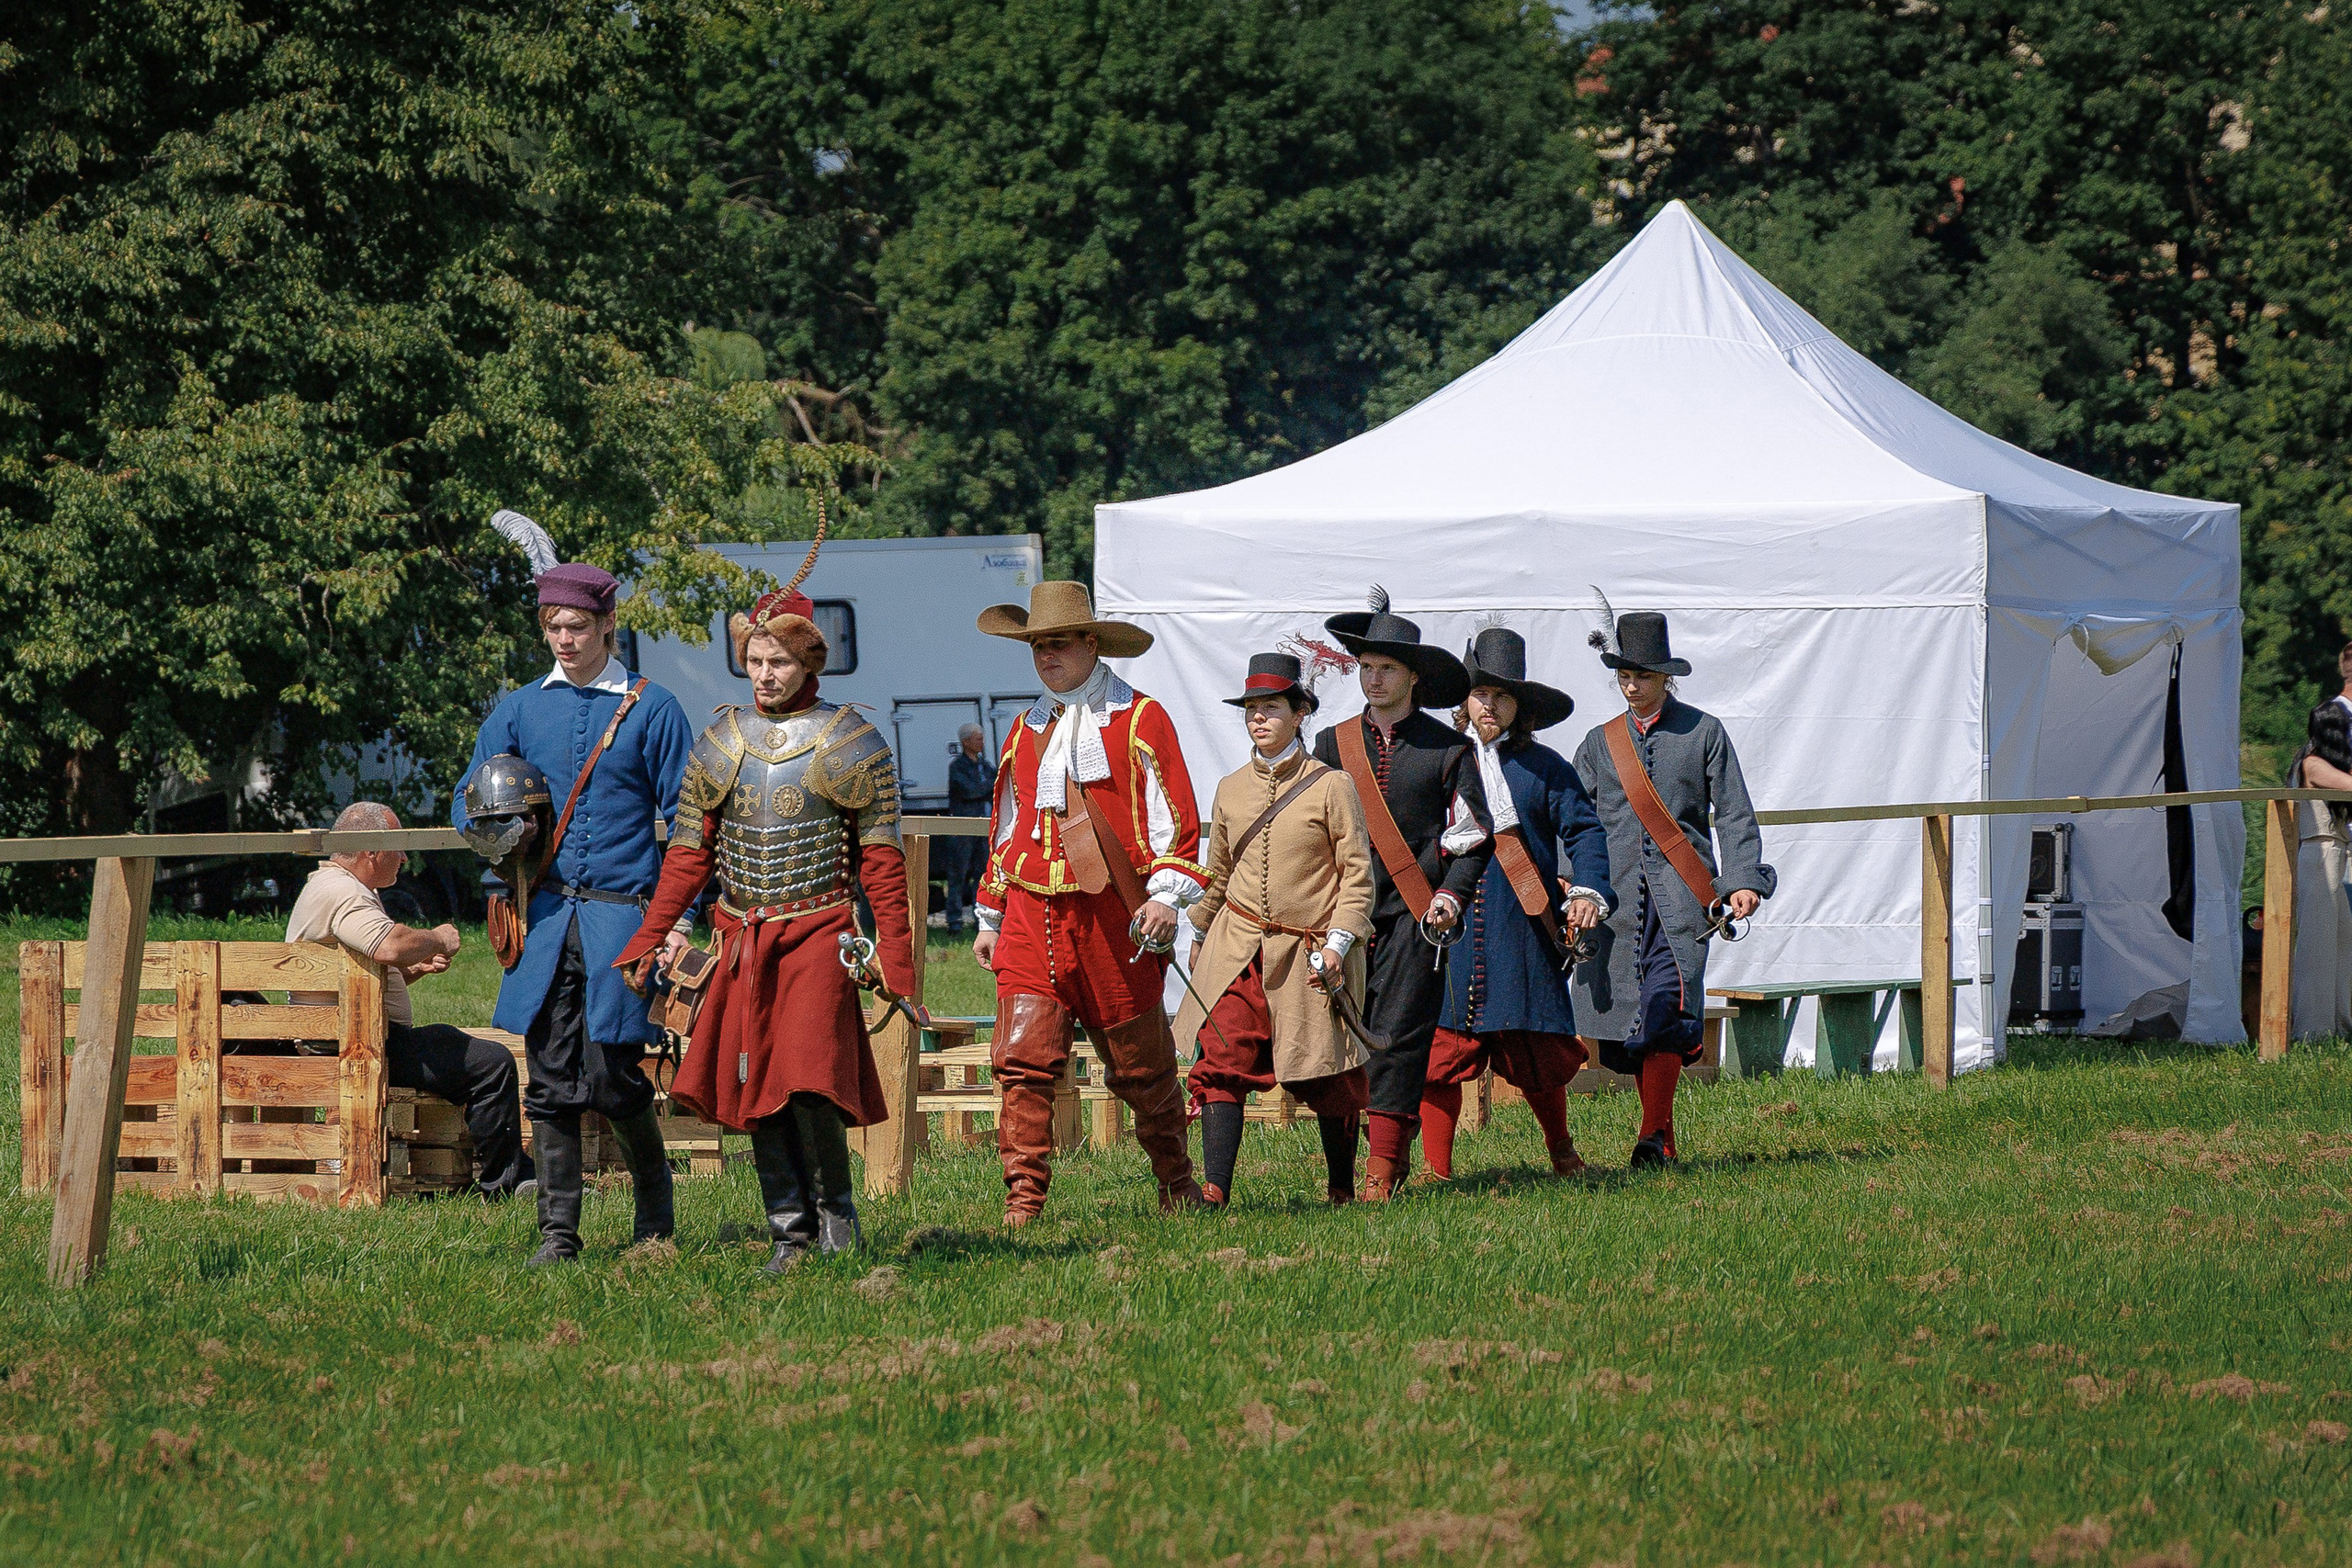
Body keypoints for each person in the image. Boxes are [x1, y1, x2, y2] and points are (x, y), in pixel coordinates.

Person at [615, 583, 916, 1270]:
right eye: (754, 660)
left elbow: (882, 862)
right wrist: (649, 936)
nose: (764, 674)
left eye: (778, 661)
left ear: (808, 663)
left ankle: (837, 1218)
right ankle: (788, 1230)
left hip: (819, 932)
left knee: (809, 1078)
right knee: (757, 1085)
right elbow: (688, 855)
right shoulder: (720, 741)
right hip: (741, 939)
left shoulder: (853, 742)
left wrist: (894, 957)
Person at [455, 558, 695, 1266]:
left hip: (624, 922)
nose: (565, 638)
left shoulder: (653, 708)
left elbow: (690, 823)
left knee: (614, 1075)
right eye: (554, 626)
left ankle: (655, 1218)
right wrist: (504, 836)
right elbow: (468, 800)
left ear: (607, 624)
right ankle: (558, 1235)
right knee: (552, 1080)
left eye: (578, 626)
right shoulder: (518, 709)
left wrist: (679, 920)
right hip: (544, 921)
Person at [971, 581, 1208, 1225]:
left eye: (1059, 643)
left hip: (1112, 920)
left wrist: (1166, 896)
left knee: (1143, 1069)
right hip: (1030, 916)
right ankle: (1023, 1202)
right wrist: (991, 913)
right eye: (1037, 646)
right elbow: (1010, 825)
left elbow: (1174, 818)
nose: (1046, 656)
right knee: (1020, 1063)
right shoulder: (1026, 727)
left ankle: (1176, 1184)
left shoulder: (1140, 718)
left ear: (1091, 644)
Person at [1570, 612, 1773, 1168]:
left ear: (1666, 677)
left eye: (1642, 676)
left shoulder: (1705, 732)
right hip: (1612, 906)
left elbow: (1733, 813)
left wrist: (1741, 880)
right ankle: (1658, 1137)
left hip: (1683, 904)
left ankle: (1653, 1137)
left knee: (1666, 1006)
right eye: (1624, 677)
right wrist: (1573, 881)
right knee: (1624, 1027)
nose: (1632, 687)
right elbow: (1574, 818)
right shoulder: (1598, 743)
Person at [1310, 587, 1492, 1200]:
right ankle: (1348, 1171)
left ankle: (1382, 1169)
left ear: (1414, 676)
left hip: (1417, 918)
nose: (1374, 678)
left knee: (1398, 1041)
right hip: (1341, 918)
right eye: (1366, 667)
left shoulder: (1449, 749)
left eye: (1387, 668)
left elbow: (1473, 836)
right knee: (1340, 1040)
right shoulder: (1331, 745)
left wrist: (1450, 895)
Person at [1179, 653, 1375, 1207]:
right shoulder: (1230, 788)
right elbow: (1218, 872)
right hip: (1237, 947)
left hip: (1310, 954)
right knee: (1220, 1058)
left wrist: (1339, 944)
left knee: (1326, 1072)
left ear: (1299, 713)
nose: (1258, 719)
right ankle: (1215, 1189)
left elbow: (1357, 876)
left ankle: (1341, 1189)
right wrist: (1199, 933)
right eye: (1251, 710)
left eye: (1270, 708)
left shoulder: (1332, 785)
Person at [1423, 627, 1613, 1181]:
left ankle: (1562, 1152)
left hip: (1521, 929)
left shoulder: (1546, 767)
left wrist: (1587, 889)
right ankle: (1436, 1171)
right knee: (1440, 1053)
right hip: (1447, 929)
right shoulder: (1436, 758)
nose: (1489, 706)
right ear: (1464, 699)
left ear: (1519, 705)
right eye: (1480, 693)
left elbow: (1584, 832)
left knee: (1536, 1051)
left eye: (1502, 696)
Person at [288, 802, 534, 1198]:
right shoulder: (344, 892)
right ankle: (506, 1182)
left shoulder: (331, 885)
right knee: (491, 1063)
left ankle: (504, 1168)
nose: (404, 857)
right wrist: (438, 938)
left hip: (342, 1036)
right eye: (398, 846)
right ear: (372, 850)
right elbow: (388, 945)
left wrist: (412, 971)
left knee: (452, 1046)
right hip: (358, 1045)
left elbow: (361, 974)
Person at [2289, 699, 2352, 1039]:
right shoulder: (2313, 764)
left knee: (2341, 944)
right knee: (2318, 947)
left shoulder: (2322, 762)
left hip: (2332, 855)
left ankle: (2340, 1022)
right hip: (2319, 855)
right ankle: (2313, 1029)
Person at [944, 722, 998, 935]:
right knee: (958, 875)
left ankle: (980, 919)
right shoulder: (958, 767)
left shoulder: (986, 766)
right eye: (977, 739)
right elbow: (970, 791)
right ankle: (954, 922)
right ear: (966, 742)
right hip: (963, 828)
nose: (981, 743)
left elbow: (996, 785)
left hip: (983, 827)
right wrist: (989, 786)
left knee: (982, 874)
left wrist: (989, 786)